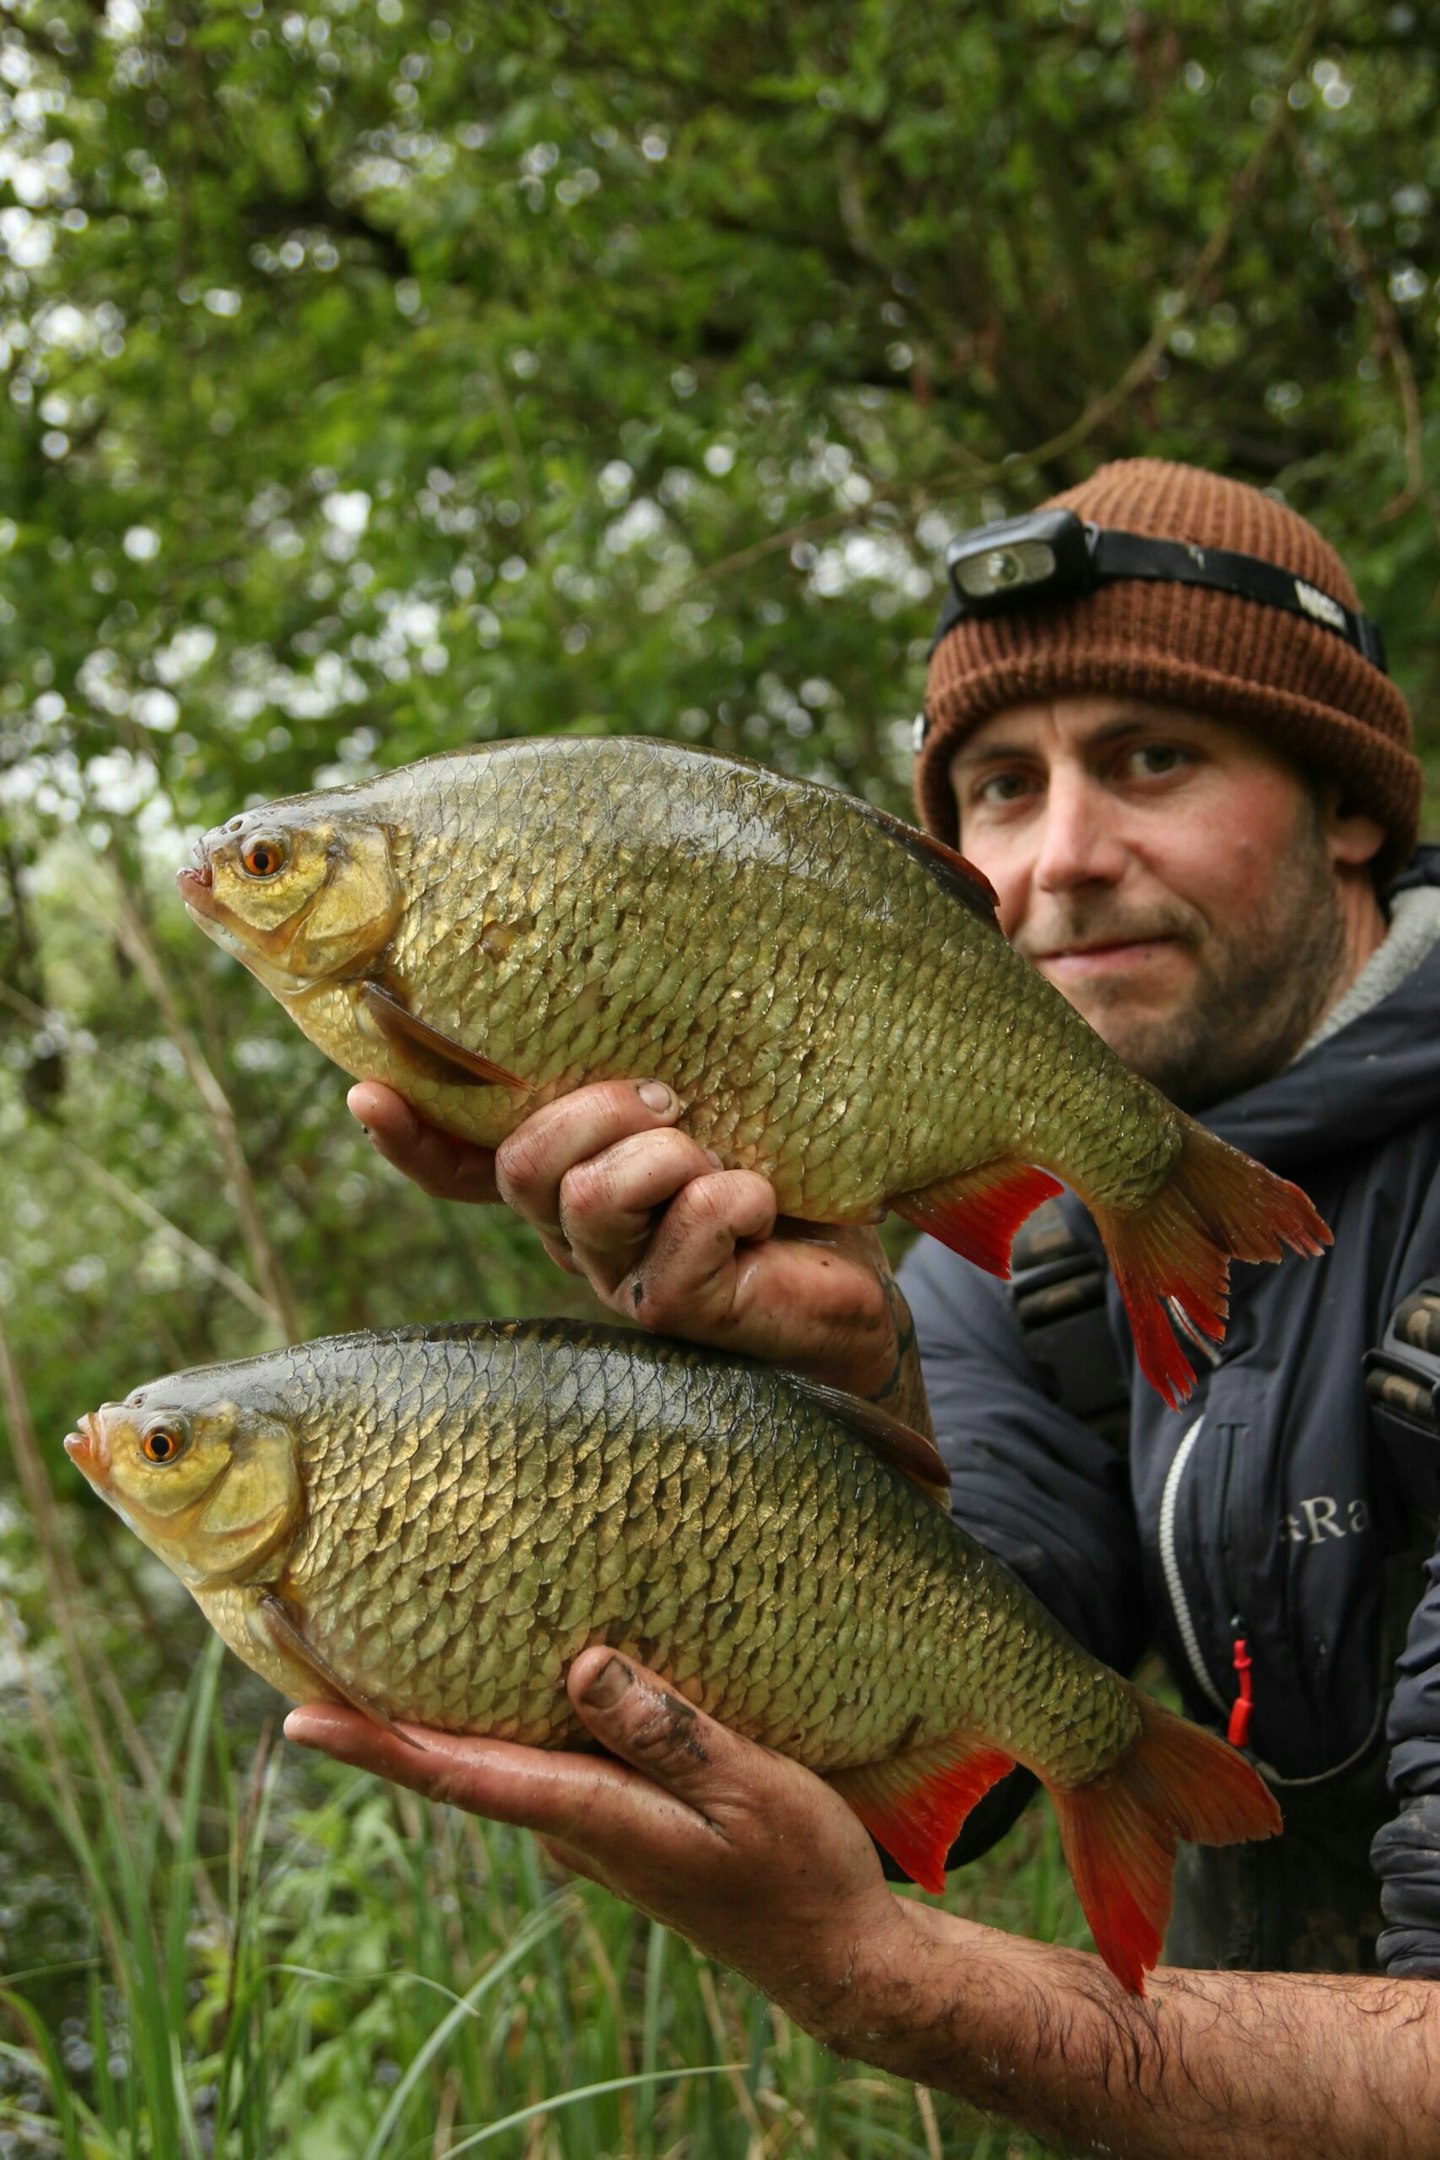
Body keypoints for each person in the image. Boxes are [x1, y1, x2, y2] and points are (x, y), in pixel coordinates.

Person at [285, 461, 1440, 2155]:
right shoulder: (1029, 1245)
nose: (1062, 861)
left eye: (1152, 760)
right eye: (995, 785)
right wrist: (812, 1401)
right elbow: (952, 1731)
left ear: (1351, 804)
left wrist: (871, 1976)